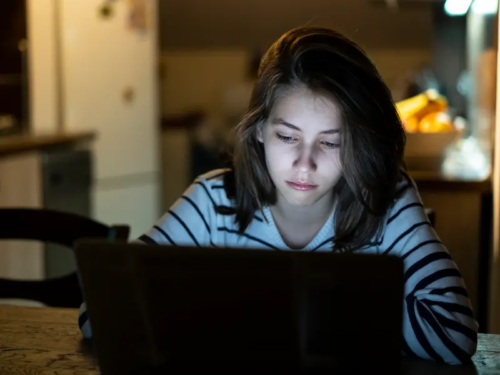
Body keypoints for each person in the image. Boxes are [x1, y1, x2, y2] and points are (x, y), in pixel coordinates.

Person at [79, 26, 478, 364]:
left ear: (358, 144)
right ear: (258, 130)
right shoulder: (213, 200)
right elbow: (99, 312)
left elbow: (455, 332)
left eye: (331, 143)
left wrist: (271, 306)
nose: (305, 165)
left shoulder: (387, 202)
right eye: (287, 137)